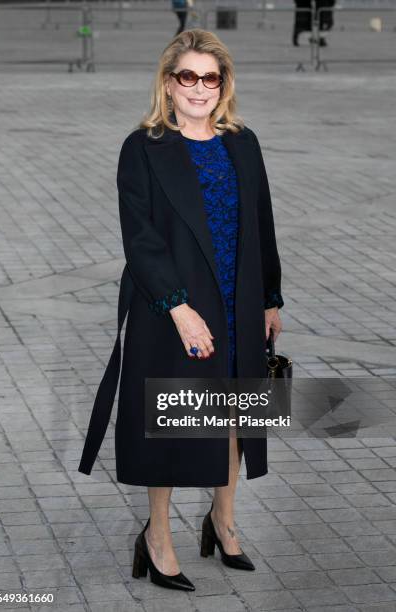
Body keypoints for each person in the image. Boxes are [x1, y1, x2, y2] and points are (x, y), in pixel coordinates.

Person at [78, 29, 284, 592]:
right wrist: (178, 308)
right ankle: (158, 536)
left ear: (223, 86)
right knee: (175, 420)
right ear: (168, 85)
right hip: (173, 303)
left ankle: (222, 521)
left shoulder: (243, 142)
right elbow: (140, 240)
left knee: (237, 414)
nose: (199, 88)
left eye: (209, 78)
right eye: (187, 77)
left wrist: (270, 297)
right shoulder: (143, 147)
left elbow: (261, 225)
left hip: (239, 300)